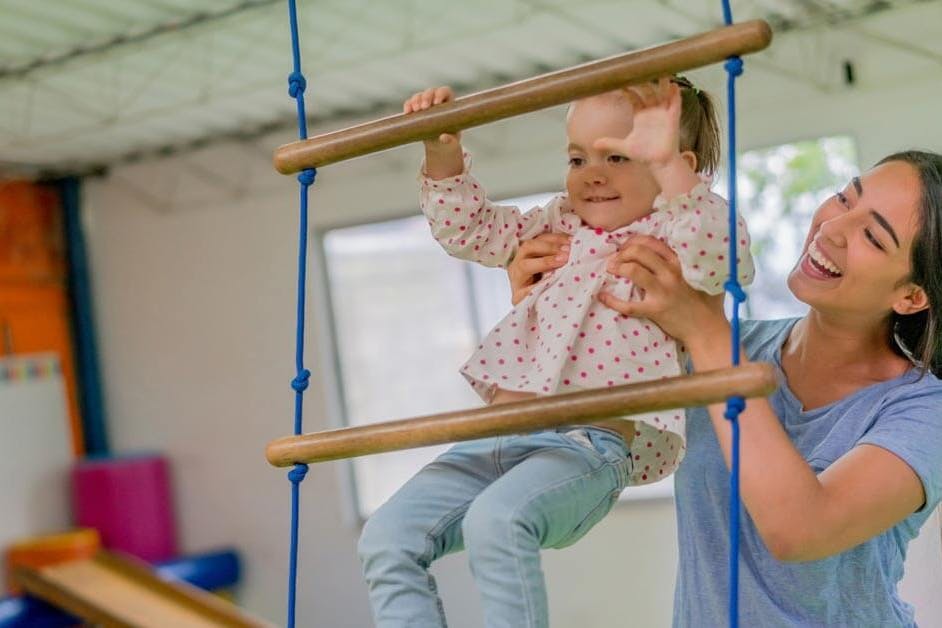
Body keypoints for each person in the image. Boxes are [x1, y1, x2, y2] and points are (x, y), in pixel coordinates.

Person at [357, 77, 753, 628]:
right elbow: (471, 231)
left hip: (584, 449)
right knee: (387, 537)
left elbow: (722, 252)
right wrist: (442, 151)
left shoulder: (675, 240)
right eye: (576, 156)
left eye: (618, 156)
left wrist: (675, 177)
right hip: (496, 434)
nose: (591, 173)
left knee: (496, 522)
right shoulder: (555, 223)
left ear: (671, 165)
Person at [508, 149, 942, 626]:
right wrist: (543, 308)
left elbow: (800, 529)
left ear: (911, 296)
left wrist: (706, 330)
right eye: (844, 198)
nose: (832, 229)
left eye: (873, 236)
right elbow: (580, 437)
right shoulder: (724, 348)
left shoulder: (924, 412)